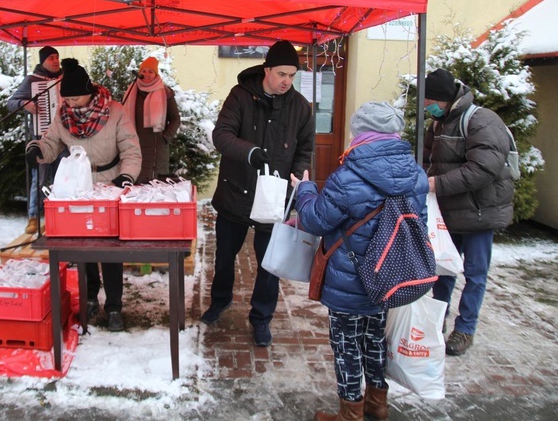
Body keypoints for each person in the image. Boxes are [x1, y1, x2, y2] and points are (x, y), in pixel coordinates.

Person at [291, 101, 429, 421]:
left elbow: (315, 221)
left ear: (361, 133)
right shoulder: (416, 175)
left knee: (346, 346)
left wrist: (306, 189)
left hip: (349, 278)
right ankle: (377, 405)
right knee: (374, 339)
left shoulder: (349, 176)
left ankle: (350, 413)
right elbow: (416, 224)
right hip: (389, 276)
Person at [202, 39, 314, 347]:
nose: (286, 82)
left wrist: (298, 173)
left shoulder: (300, 106)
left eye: (292, 75)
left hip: (275, 196)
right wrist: (249, 152)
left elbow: (305, 148)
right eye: (281, 74)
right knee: (225, 256)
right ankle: (220, 300)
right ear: (267, 70)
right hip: (236, 191)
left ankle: (261, 318)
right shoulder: (240, 96)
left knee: (270, 264)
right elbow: (221, 136)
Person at [25, 59, 141, 332]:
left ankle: (114, 306)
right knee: (84, 245)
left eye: (76, 97)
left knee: (111, 249)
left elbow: (131, 149)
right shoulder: (63, 114)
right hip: (79, 186)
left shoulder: (116, 111)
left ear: (89, 91)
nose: (71, 104)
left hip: (110, 183)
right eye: (67, 99)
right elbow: (51, 143)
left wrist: (127, 176)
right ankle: (89, 298)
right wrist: (37, 150)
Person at [423, 68, 514, 356]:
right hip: (448, 214)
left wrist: (436, 184)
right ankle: (437, 322)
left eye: (430, 103)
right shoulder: (437, 125)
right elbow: (425, 159)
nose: (428, 109)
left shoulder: (482, 121)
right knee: (443, 270)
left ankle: (465, 329)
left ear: (444, 99)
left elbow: (483, 169)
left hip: (478, 214)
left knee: (475, 274)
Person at [7, 46, 62, 235]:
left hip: (64, 138)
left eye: (57, 57)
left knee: (61, 178)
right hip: (42, 138)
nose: (56, 61)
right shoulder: (32, 81)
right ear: (43, 61)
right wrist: (25, 103)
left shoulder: (66, 79)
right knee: (39, 179)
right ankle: (33, 217)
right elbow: (11, 103)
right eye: (51, 58)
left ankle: (57, 216)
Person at [122, 56, 181, 183]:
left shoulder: (164, 92)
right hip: (135, 143)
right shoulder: (132, 90)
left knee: (155, 185)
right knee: (135, 181)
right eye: (144, 71)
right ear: (139, 72)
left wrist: (165, 137)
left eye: (150, 71)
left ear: (156, 74)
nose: (146, 74)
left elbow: (175, 118)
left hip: (157, 146)